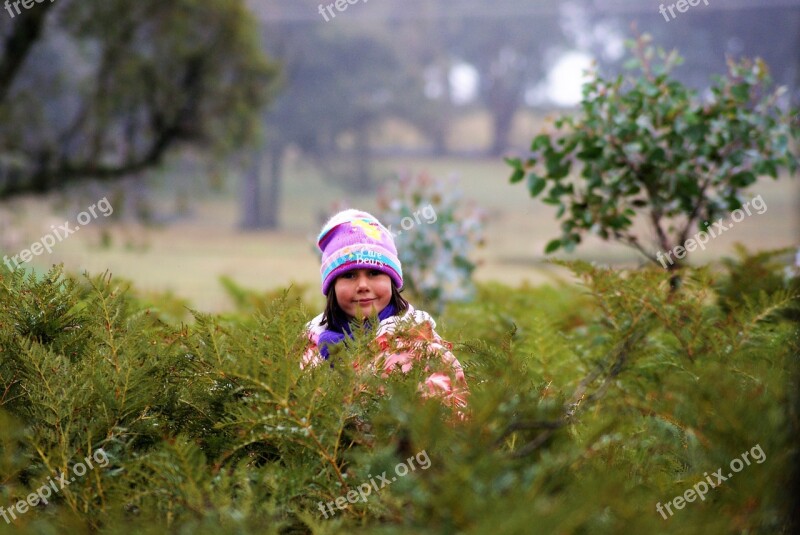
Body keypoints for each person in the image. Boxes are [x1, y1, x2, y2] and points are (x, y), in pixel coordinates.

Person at [301, 209, 468, 411]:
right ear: (332, 287)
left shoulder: (421, 352)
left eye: (374, 272)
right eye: (349, 275)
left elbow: (448, 419)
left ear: (392, 281)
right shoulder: (310, 351)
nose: (362, 285)